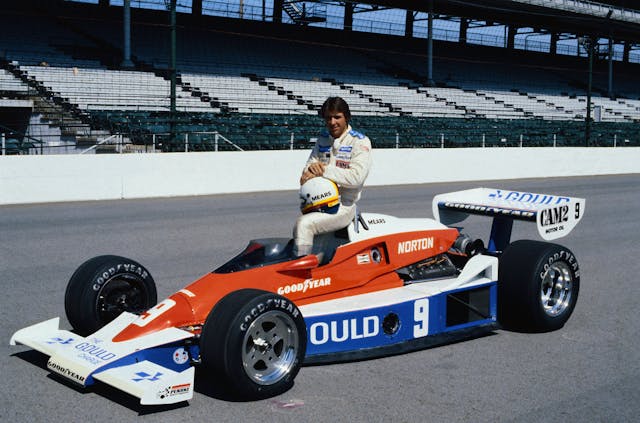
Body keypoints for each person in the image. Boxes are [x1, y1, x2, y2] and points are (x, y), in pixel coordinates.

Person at [293, 97, 373, 257]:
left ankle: (301, 275)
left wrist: (323, 171)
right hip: (316, 203)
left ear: (346, 117)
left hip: (343, 206)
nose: (332, 122)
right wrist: (310, 172)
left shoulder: (360, 141)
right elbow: (304, 177)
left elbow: (356, 178)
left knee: (303, 225)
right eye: (328, 118)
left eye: (337, 117)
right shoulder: (322, 139)